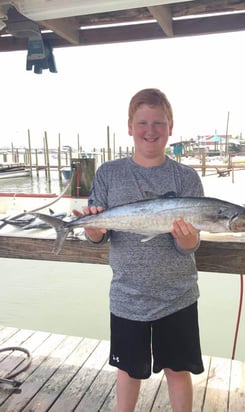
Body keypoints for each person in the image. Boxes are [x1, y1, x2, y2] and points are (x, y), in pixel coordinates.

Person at [75, 88, 204, 412]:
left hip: (178, 295)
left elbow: (189, 245)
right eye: (143, 122)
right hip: (127, 295)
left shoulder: (186, 177)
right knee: (128, 371)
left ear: (171, 126)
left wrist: (187, 238)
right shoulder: (108, 173)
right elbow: (97, 236)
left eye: (158, 123)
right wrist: (92, 229)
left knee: (178, 370)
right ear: (130, 126)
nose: (151, 130)